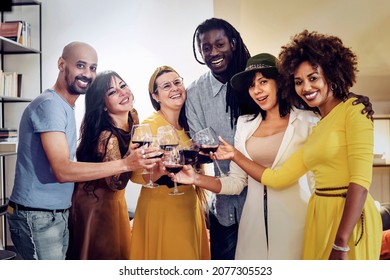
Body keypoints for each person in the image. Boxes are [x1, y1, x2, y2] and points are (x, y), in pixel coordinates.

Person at [177, 30, 382, 260]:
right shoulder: (246, 125)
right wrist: (203, 174)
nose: (257, 90)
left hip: (310, 223)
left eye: (264, 81)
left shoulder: (315, 120)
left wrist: (340, 241)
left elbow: (353, 181)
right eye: (252, 85)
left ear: (280, 83)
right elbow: (268, 179)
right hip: (263, 227)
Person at [6, 42, 159, 260]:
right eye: (80, 65)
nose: (87, 74)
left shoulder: (65, 106)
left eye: (92, 68)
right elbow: (62, 170)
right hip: (37, 216)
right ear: (61, 64)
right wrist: (126, 163)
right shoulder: (49, 105)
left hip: (56, 214)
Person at [185, 17, 251, 260]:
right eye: (206, 47)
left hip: (265, 202)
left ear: (233, 43)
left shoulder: (256, 82)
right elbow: (201, 144)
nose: (213, 52)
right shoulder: (194, 93)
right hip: (224, 207)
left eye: (219, 44)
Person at [129, 66, 210, 260]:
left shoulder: (191, 123)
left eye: (177, 82)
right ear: (155, 96)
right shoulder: (149, 126)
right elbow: (136, 175)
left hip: (189, 204)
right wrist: (159, 171)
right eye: (166, 86)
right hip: (161, 209)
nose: (174, 88)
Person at [68, 70, 146, 259]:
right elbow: (115, 183)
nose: (122, 92)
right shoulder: (107, 136)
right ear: (102, 105)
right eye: (112, 92)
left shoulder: (132, 116)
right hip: (96, 202)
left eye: (123, 85)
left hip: (116, 199)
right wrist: (130, 157)